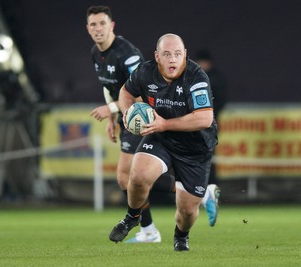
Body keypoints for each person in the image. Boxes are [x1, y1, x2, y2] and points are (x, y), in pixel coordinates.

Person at [109, 33, 218, 251]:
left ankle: (181, 236)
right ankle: (132, 217)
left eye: (178, 54)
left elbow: (204, 118)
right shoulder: (145, 72)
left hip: (195, 148)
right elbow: (125, 92)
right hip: (161, 138)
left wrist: (164, 124)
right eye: (167, 54)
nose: (173, 59)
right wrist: (128, 113)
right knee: (137, 175)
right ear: (157, 56)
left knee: (186, 212)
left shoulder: (195, 77)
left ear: (185, 55)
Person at [86, 6, 174, 243]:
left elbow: (142, 90)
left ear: (112, 25)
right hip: (126, 117)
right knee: (129, 179)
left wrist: (111, 109)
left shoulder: (127, 53)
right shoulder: (96, 52)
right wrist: (113, 117)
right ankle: (149, 229)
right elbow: (108, 86)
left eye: (102, 23)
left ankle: (193, 193)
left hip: (143, 116)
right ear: (88, 28)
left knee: (128, 177)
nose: (98, 29)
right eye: (93, 24)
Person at [195, 49, 227, 188]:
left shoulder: (213, 79)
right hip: (194, 124)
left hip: (208, 125)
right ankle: (198, 188)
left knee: (208, 156)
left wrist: (207, 116)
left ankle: (210, 188)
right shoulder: (194, 77)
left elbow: (220, 101)